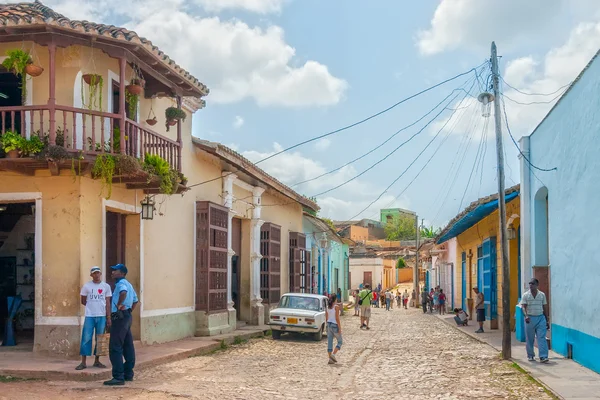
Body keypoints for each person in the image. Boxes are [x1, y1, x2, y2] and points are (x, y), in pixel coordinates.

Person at [104, 264, 139, 386]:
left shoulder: (121, 284)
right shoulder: (129, 284)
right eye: (112, 270)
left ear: (122, 273)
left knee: (115, 346)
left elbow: (123, 293)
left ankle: (118, 377)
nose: (112, 272)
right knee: (128, 345)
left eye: (115, 271)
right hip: (127, 316)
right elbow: (135, 300)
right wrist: (128, 311)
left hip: (119, 317)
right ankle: (128, 373)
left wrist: (119, 305)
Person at [76, 266, 112, 371]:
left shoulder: (106, 286)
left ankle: (97, 360)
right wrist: (91, 307)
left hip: (102, 316)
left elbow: (108, 302)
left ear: (100, 274)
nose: (96, 275)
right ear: (91, 275)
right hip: (90, 316)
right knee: (86, 338)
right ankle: (83, 362)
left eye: (98, 273)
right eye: (94, 273)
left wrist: (108, 316)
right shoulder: (86, 286)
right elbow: (83, 300)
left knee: (100, 338)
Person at [520, 278, 550, 363]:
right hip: (530, 318)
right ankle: (530, 355)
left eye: (532, 284)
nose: (531, 285)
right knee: (530, 338)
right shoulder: (526, 295)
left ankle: (543, 356)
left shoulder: (542, 295)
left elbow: (544, 307)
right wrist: (526, 316)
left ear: (537, 285)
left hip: (540, 318)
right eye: (530, 283)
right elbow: (523, 307)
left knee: (541, 337)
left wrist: (546, 319)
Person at [325, 294, 343, 364]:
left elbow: (326, 318)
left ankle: (330, 359)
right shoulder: (336, 307)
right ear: (335, 299)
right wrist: (339, 327)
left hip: (328, 324)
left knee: (330, 342)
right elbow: (337, 318)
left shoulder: (327, 307)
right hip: (334, 325)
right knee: (340, 341)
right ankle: (333, 354)